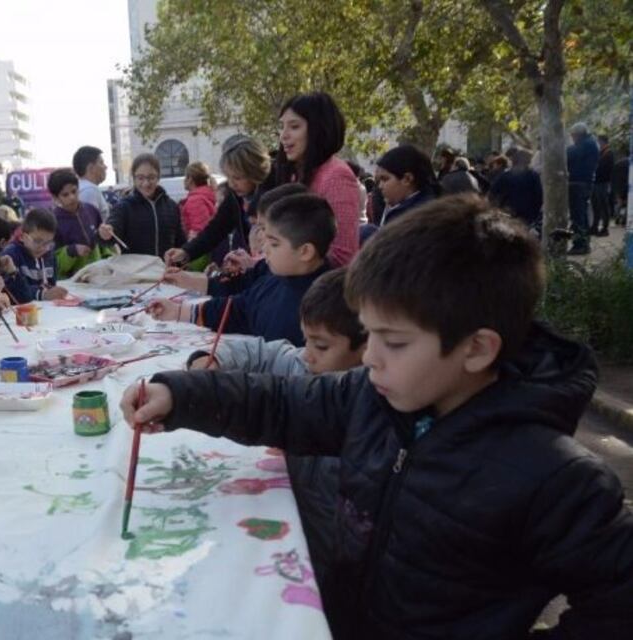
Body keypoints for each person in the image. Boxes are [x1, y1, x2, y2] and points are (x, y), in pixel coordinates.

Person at [120, 194, 633, 639]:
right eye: (369, 335)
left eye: (394, 342)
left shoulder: (554, 477)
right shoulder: (373, 395)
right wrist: (180, 394)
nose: (370, 358)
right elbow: (281, 403)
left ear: (476, 349)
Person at [185, 268, 365, 593]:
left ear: (367, 346)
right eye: (305, 339)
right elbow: (264, 352)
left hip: (333, 558)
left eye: (321, 346)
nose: (307, 353)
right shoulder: (302, 363)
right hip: (288, 524)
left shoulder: (366, 408)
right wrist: (210, 359)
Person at [146, 193, 333, 346]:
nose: (264, 248)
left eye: (274, 244)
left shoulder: (322, 306)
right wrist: (178, 311)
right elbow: (239, 308)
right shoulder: (275, 279)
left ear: (305, 251)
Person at [273, 92, 360, 266]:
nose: (283, 135)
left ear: (318, 130)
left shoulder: (337, 176)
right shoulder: (296, 174)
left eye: (294, 126)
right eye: (282, 127)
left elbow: (342, 256)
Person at [164, 138, 271, 269]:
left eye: (237, 178)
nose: (231, 184)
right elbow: (216, 228)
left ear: (254, 173)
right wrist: (186, 252)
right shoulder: (235, 196)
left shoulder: (273, 197)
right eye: (229, 177)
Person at [107, 153, 186, 257]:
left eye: (151, 177)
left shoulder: (171, 206)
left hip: (165, 270)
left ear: (158, 177)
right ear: (134, 178)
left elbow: (179, 241)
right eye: (140, 178)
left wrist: (183, 256)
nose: (146, 183)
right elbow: (110, 236)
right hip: (135, 271)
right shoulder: (124, 207)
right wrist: (105, 233)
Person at [47, 168, 115, 278]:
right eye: (65, 195)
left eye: (74, 191)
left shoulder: (91, 210)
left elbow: (104, 244)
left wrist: (108, 257)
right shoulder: (52, 221)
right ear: (55, 198)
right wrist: (72, 251)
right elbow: (53, 262)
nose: (72, 197)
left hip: (98, 276)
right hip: (72, 282)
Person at [2, 208, 68, 302]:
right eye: (37, 241)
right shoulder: (11, 256)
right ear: (23, 237)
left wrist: (54, 292)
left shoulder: (50, 255)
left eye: (48, 242)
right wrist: (42, 294)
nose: (43, 248)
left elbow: (51, 285)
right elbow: (11, 291)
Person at [566, 122, 599, 255]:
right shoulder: (590, 143)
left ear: (578, 135)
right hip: (584, 183)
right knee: (582, 215)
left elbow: (570, 153)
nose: (572, 139)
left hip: (579, 183)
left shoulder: (587, 144)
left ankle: (579, 244)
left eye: (573, 136)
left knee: (578, 215)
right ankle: (584, 243)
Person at [489, 148, 543, 230]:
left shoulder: (506, 175)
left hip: (509, 214)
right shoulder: (534, 176)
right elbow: (539, 196)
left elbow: (493, 194)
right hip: (528, 216)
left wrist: (498, 209)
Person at [179, 161, 217, 240]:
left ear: (190, 179)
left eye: (186, 177)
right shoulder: (206, 195)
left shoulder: (195, 201)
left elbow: (199, 231)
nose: (184, 180)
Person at [73, 145, 110, 219]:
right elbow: (90, 225)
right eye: (101, 163)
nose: (105, 167)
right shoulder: (89, 190)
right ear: (91, 168)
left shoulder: (81, 187)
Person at [592, 135, 615, 237]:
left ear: (602, 142)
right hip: (596, 182)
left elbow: (605, 169)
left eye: (599, 142)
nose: (598, 144)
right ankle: (595, 226)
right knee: (596, 206)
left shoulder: (608, 153)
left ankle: (605, 228)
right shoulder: (600, 153)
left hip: (603, 183)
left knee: (603, 206)